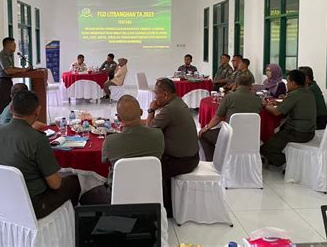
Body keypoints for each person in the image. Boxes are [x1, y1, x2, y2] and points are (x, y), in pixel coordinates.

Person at [0, 90, 81, 219]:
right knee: (73, 181)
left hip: (0, 201)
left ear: (11, 108)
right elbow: (55, 184)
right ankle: (72, 224)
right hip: (33, 205)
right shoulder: (37, 139)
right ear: (37, 110)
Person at [146, 78, 199, 217]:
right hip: (191, 155)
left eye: (156, 94)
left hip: (183, 160)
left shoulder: (170, 109)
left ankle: (166, 208)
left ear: (166, 94)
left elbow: (149, 131)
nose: (155, 97)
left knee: (150, 167)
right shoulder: (178, 102)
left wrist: (151, 110)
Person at [102, 95, 164, 186]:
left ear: (119, 118)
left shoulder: (110, 142)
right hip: (152, 192)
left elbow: (104, 161)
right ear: (141, 112)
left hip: (118, 195)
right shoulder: (158, 135)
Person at [260, 69, 317, 167]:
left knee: (264, 149)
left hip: (297, 132)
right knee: (277, 135)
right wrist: (279, 102)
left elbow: (277, 112)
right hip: (310, 131)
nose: (287, 84)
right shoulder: (308, 92)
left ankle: (291, 164)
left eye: (288, 82)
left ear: (294, 83)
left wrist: (264, 105)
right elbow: (294, 104)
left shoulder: (295, 94)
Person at [199, 75, 262, 161]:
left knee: (203, 135)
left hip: (231, 137)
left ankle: (214, 161)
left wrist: (206, 128)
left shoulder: (229, 97)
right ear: (251, 86)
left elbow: (217, 118)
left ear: (236, 84)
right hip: (250, 137)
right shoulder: (258, 100)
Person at [0, 37, 30, 113]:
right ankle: (3, 123)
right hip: (2, 82)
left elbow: (12, 67)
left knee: (9, 103)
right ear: (7, 45)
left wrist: (24, 69)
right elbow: (8, 70)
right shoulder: (2, 55)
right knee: (4, 104)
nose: (15, 46)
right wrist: (23, 70)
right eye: (13, 44)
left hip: (7, 81)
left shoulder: (9, 55)